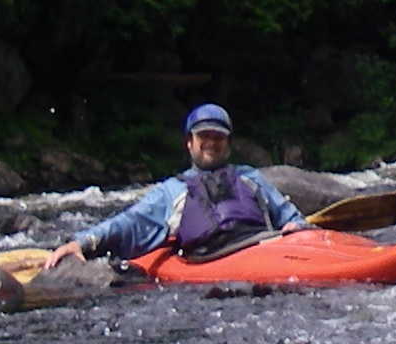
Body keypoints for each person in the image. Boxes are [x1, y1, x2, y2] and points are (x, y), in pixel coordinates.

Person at [51, 103, 305, 264]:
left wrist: (299, 228)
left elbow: (290, 216)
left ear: (228, 143)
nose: (211, 142)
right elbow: (128, 222)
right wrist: (83, 242)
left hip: (263, 247)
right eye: (204, 135)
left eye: (219, 137)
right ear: (189, 142)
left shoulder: (250, 178)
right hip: (209, 260)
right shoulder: (172, 190)